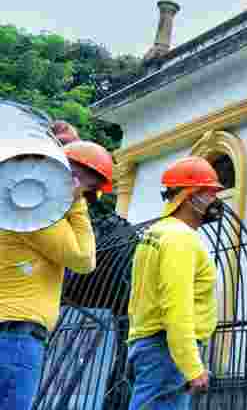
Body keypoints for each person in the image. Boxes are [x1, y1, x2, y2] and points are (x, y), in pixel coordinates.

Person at [0, 140, 112, 410]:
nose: (89, 196)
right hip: (15, 338)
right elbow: (85, 260)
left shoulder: (18, 202)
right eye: (89, 189)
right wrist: (77, 204)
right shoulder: (37, 214)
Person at [126, 156, 228, 410]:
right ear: (191, 197)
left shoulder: (155, 233)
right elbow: (177, 307)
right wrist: (192, 367)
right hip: (166, 352)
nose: (216, 201)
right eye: (210, 193)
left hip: (150, 345)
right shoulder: (181, 239)